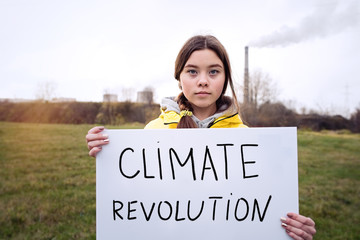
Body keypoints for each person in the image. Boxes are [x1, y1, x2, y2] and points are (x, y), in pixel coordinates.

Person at [86, 35, 316, 239]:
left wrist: (290, 227)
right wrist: (107, 152)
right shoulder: (153, 132)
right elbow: (135, 198)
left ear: (225, 78)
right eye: (192, 71)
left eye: (213, 71)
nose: (203, 80)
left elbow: (260, 205)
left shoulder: (246, 140)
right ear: (179, 77)